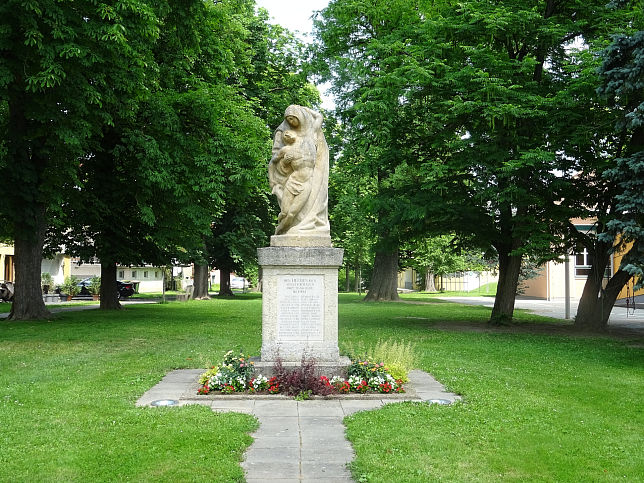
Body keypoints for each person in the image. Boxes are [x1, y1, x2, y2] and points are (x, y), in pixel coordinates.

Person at [268, 105, 330, 236]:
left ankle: (288, 230)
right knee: (285, 212)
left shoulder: (309, 135)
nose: (290, 124)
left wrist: (307, 110)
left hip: (307, 183)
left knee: (292, 213)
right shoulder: (286, 150)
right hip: (293, 181)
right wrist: (285, 162)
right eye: (288, 120)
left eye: (292, 118)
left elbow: (319, 117)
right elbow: (273, 162)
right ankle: (281, 231)